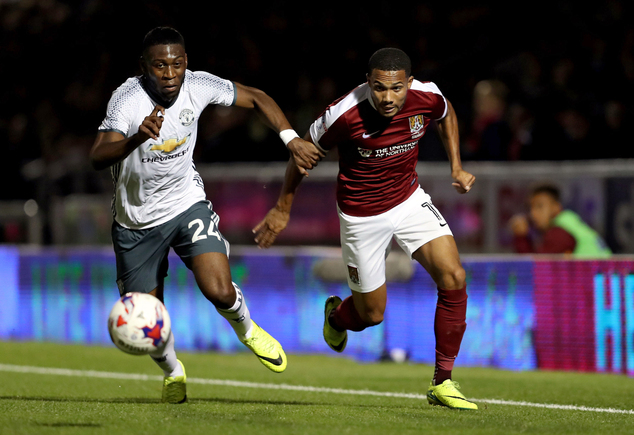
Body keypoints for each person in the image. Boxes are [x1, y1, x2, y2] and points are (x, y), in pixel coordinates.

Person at [90, 26, 323, 404]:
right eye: (160, 66)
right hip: (135, 224)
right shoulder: (127, 99)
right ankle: (173, 371)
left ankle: (248, 330)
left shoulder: (199, 85)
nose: (169, 74)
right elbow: (97, 156)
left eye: (177, 64)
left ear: (186, 63)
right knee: (149, 317)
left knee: (218, 288)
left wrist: (291, 139)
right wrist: (136, 138)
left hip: (185, 203)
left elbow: (257, 98)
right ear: (144, 67)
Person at [253, 48, 478, 410]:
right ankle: (337, 316)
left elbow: (447, 112)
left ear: (408, 82)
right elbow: (303, 154)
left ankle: (443, 381)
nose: (387, 97)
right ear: (367, 83)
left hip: (408, 200)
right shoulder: (342, 114)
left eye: (395, 88)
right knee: (372, 314)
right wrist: (282, 208)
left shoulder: (426, 95)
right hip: (361, 216)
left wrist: (456, 165)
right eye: (378, 88)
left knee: (454, 276)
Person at [510, 183, 612, 257]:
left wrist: (521, 238)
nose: (533, 213)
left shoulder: (560, 232)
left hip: (602, 283)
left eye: (539, 206)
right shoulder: (570, 221)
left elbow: (536, 270)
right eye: (530, 207)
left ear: (556, 207)